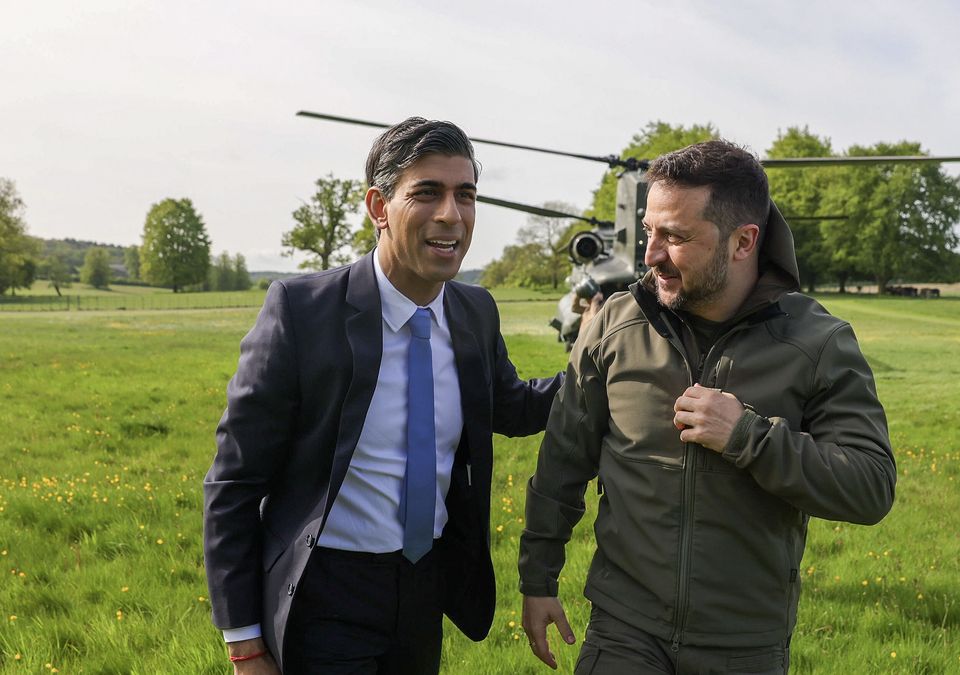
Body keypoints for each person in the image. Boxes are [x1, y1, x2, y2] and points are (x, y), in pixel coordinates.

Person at [204, 117, 566, 674]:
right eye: (427, 193)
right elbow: (234, 481)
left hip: (425, 590)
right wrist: (246, 644)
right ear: (379, 206)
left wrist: (605, 373)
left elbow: (511, 405)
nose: (451, 214)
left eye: (465, 195)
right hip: (325, 593)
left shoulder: (474, 312)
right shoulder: (302, 312)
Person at [519, 140, 896, 674]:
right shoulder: (614, 326)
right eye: (649, 232)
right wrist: (537, 580)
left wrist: (747, 437)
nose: (651, 255)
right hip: (624, 629)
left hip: (744, 644)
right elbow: (563, 459)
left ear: (743, 242)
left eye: (675, 237)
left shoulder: (818, 343)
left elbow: (870, 486)